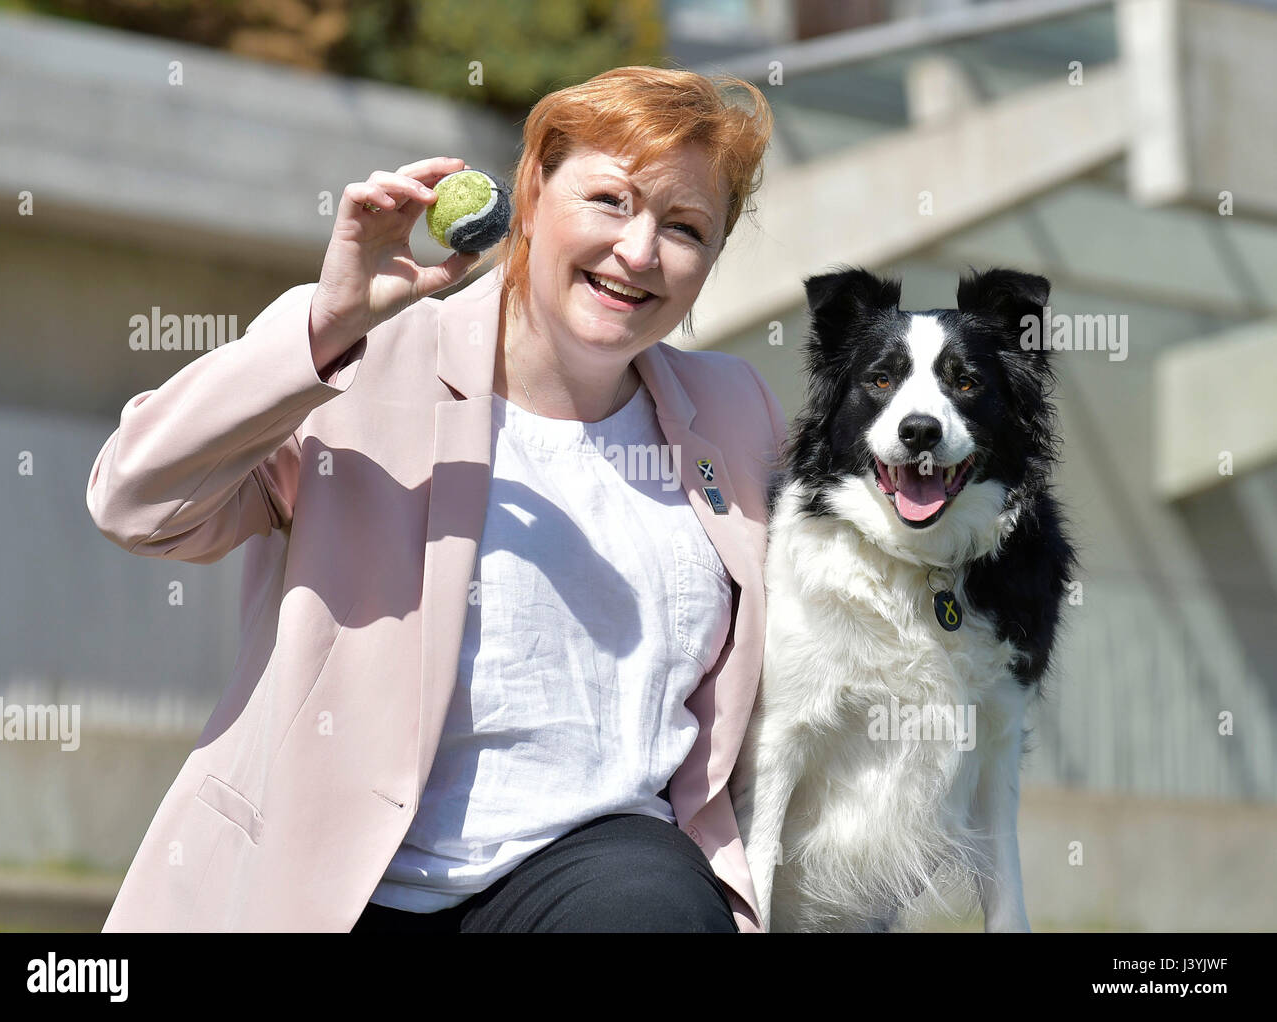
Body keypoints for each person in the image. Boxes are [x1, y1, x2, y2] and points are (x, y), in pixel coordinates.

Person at [86, 65, 784, 933]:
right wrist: (327, 328)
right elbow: (136, 503)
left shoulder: (736, 411)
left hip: (592, 873)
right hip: (342, 882)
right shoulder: (365, 359)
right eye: (610, 201)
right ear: (531, 191)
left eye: (684, 228)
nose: (640, 252)